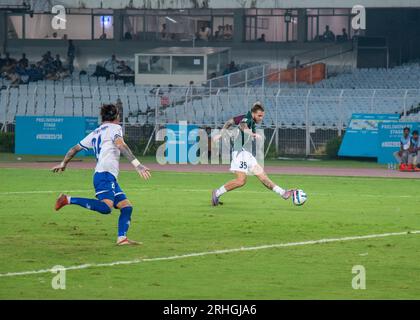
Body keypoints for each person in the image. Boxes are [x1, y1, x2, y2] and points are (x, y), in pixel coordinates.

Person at [52, 104, 151, 245]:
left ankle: (122, 238)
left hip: (107, 175)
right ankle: (67, 199)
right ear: (116, 116)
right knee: (106, 208)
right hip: (104, 174)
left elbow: (75, 148)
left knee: (126, 207)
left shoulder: (96, 132)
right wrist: (138, 165)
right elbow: (121, 145)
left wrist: (63, 163)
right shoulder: (115, 128)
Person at [211, 102, 296, 206]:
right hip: (239, 152)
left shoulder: (244, 117)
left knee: (262, 175)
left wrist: (221, 133)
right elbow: (243, 126)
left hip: (246, 153)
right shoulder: (248, 119)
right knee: (241, 180)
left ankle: (283, 193)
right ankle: (217, 192)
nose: (261, 118)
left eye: (262, 116)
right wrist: (253, 134)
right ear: (253, 113)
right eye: (259, 116)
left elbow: (230, 122)